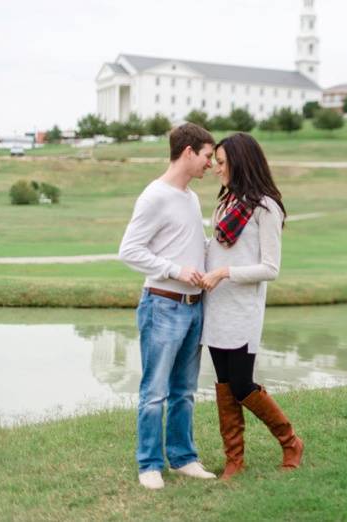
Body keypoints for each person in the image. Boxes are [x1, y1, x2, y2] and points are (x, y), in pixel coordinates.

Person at [118, 123, 217, 490]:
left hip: (193, 307)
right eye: (207, 156)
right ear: (188, 152)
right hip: (162, 306)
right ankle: (149, 464)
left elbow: (191, 244)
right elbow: (128, 251)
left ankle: (183, 458)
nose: (210, 163)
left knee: (185, 391)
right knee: (155, 391)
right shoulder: (154, 196)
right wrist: (176, 270)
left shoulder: (190, 197)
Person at [200, 132, 303, 480]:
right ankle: (234, 459)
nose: (216, 168)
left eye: (222, 162)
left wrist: (226, 272)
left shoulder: (266, 208)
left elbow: (270, 269)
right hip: (216, 307)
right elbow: (215, 247)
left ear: (240, 162)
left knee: (243, 385)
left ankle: (290, 441)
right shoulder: (225, 202)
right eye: (215, 161)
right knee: (224, 385)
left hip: (243, 309)